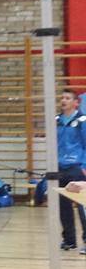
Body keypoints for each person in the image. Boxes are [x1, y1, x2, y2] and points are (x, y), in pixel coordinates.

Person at [55, 88, 86, 253]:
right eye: (62, 98)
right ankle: (69, 240)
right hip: (60, 168)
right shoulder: (56, 121)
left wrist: (84, 166)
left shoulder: (82, 120)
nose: (63, 100)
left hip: (77, 168)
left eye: (67, 98)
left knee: (82, 206)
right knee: (63, 206)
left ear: (76, 103)